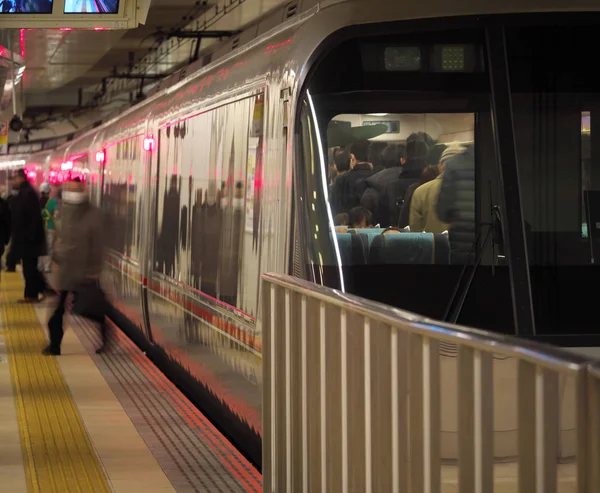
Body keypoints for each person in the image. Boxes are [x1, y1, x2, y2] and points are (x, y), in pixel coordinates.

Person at [45, 178, 105, 356]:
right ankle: (54, 346)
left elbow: (97, 245)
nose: (72, 191)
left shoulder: (93, 214)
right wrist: (56, 256)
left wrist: (93, 270)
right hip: (66, 272)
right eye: (69, 188)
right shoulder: (62, 211)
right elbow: (57, 237)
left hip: (84, 272)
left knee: (91, 309)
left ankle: (105, 333)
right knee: (58, 312)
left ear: (83, 189)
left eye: (75, 188)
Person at [10, 169, 46, 302]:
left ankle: (31, 295)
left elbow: (27, 217)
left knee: (29, 268)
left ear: (21, 178)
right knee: (29, 268)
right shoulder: (27, 192)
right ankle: (34, 292)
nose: (14, 181)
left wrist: (27, 237)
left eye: (15, 178)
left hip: (29, 240)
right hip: (29, 239)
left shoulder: (27, 193)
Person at [40, 182, 58, 273]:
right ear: (49, 191)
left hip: (40, 226)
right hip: (50, 226)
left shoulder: (37, 201)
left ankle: (39, 265)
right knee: (49, 247)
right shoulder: (53, 202)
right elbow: (56, 214)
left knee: (39, 245)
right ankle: (47, 266)